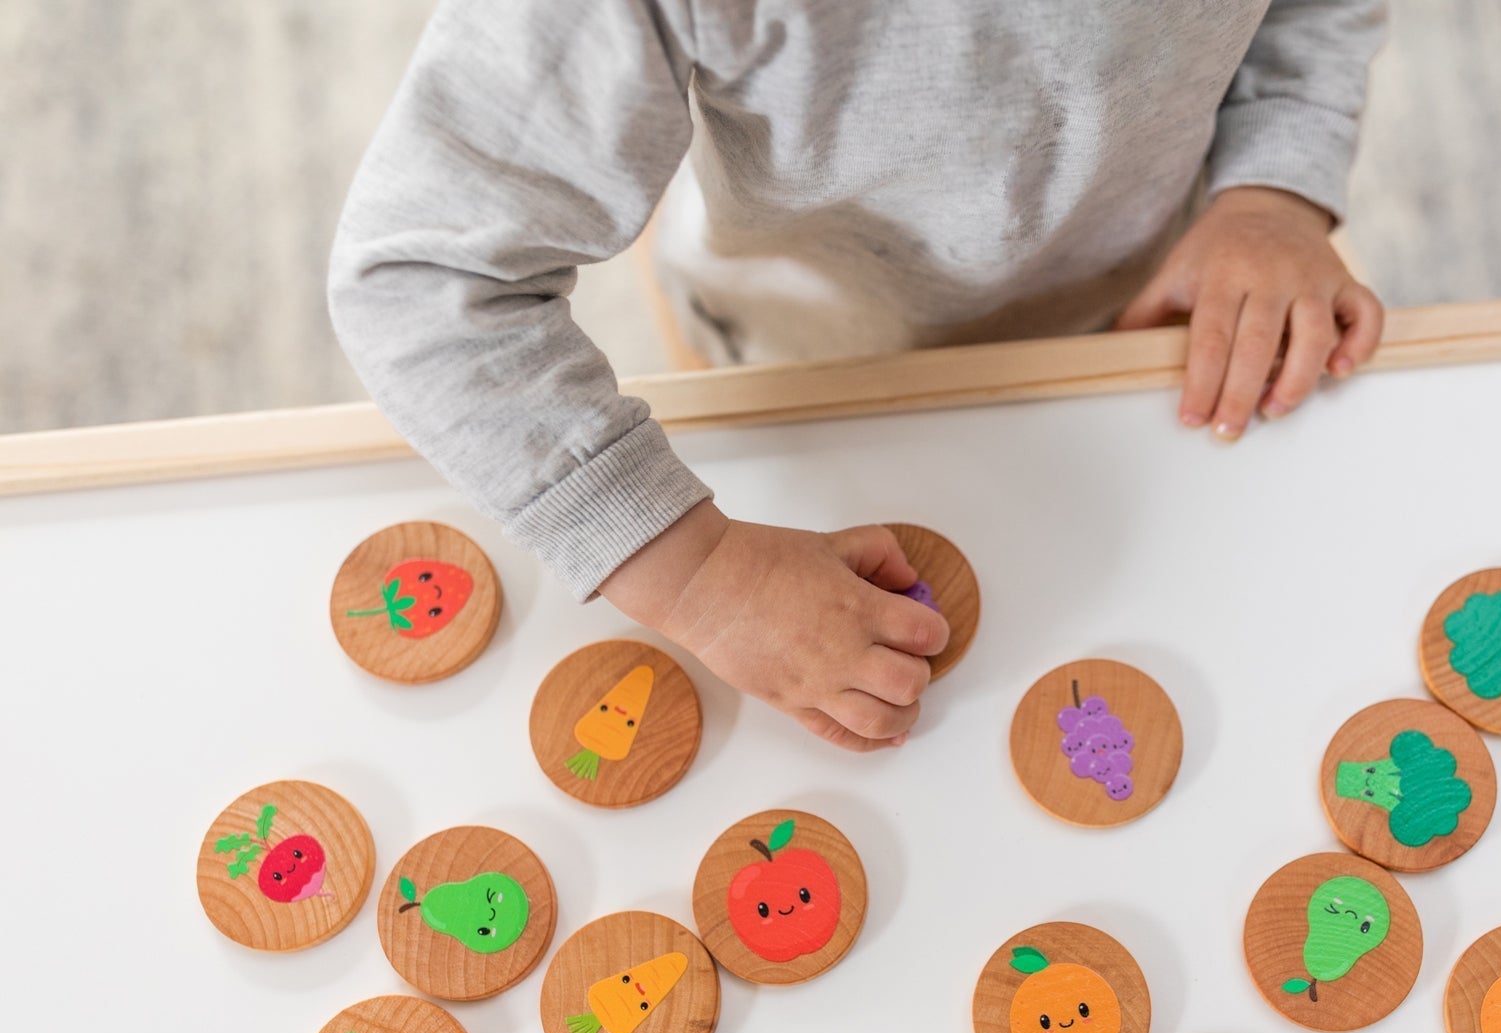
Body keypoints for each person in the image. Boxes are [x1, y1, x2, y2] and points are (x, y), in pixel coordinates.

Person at [330, 0, 1387, 751]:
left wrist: (1275, 190)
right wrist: (692, 571)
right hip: (793, 352)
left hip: (1143, 311)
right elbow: (420, 277)